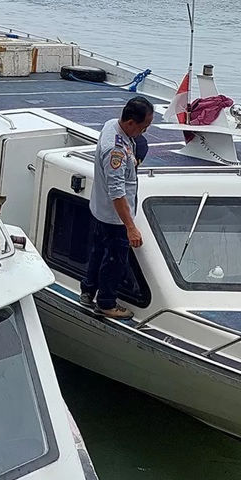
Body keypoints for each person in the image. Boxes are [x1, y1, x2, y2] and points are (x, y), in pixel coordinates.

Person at [80, 96, 156, 319]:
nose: (144, 132)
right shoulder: (116, 152)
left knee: (97, 251)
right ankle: (106, 302)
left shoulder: (111, 125)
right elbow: (117, 193)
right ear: (131, 123)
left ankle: (87, 291)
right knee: (114, 260)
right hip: (114, 218)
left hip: (99, 209)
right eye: (144, 127)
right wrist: (130, 227)